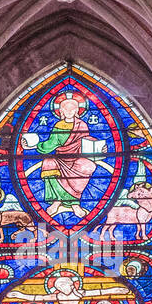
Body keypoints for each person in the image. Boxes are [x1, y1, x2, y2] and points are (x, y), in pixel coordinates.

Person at [22, 88, 101, 218]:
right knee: (48, 163)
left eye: (72, 109)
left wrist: (98, 147)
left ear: (77, 111)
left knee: (87, 165)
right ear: (61, 111)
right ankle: (56, 201)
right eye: (66, 109)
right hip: (60, 158)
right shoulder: (59, 126)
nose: (69, 111)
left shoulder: (82, 125)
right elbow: (51, 144)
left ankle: (75, 203)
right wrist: (35, 146)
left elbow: (86, 140)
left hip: (78, 158)